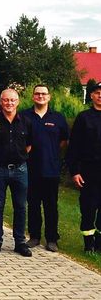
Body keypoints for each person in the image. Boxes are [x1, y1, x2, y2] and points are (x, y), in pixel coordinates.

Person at [0, 88, 32, 257]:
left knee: (20, 206)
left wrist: (17, 156)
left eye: (12, 100)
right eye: (6, 100)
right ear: (0, 101)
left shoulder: (26, 121)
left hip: (20, 169)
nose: (9, 103)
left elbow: (29, 145)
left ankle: (20, 242)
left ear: (18, 102)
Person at [21, 85, 69, 252]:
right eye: (37, 94)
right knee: (33, 204)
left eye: (44, 94)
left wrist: (52, 153)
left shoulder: (58, 118)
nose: (40, 96)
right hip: (30, 168)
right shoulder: (24, 116)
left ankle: (51, 239)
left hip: (51, 169)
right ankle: (34, 236)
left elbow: (64, 141)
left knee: (51, 206)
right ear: (33, 96)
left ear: (49, 97)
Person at [66, 81, 101, 253]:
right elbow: (74, 147)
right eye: (97, 92)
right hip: (88, 172)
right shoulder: (83, 118)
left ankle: (99, 245)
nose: (100, 95)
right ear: (92, 95)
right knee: (88, 209)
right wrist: (75, 171)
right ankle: (88, 245)